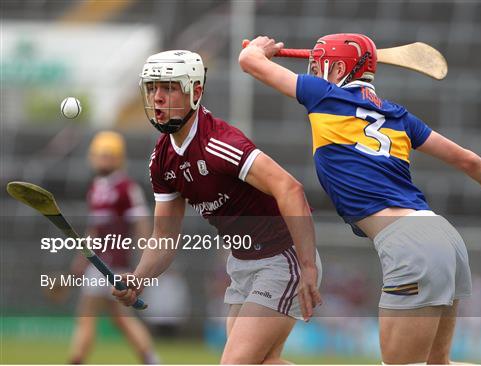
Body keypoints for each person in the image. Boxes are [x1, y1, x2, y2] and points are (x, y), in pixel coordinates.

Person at [238, 34, 481, 364]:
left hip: (410, 247)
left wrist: (261, 49)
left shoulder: (324, 95)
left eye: (318, 68)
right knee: (437, 364)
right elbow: (468, 160)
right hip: (444, 237)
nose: (313, 75)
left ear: (334, 70)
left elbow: (249, 62)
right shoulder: (398, 116)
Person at [112, 50, 323, 364]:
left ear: (195, 91)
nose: (157, 98)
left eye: (169, 88)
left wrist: (307, 267)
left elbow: (290, 188)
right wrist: (139, 278)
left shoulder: (218, 144)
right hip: (242, 264)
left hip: (283, 258)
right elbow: (164, 237)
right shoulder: (161, 160)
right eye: (153, 87)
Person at [68, 131, 159, 364]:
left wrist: (143, 268)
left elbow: (141, 225)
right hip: (98, 262)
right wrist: (79, 264)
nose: (103, 159)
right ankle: (151, 359)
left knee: (90, 315)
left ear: (119, 158)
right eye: (100, 155)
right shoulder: (96, 187)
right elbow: (94, 231)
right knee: (118, 317)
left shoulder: (126, 188)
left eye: (108, 155)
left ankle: (76, 361)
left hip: (116, 263)